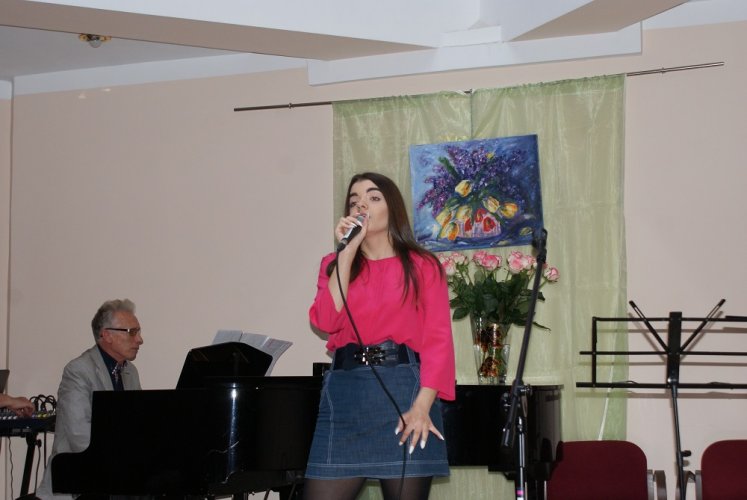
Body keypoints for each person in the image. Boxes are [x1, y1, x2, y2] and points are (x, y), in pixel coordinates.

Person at [304, 172, 455, 500]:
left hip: (405, 393)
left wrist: (422, 406)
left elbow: (438, 341)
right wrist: (346, 252)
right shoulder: (333, 264)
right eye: (354, 201)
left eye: (373, 198)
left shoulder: (423, 265)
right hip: (344, 394)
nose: (361, 205)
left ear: (392, 208)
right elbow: (326, 321)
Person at [36, 299, 144, 500]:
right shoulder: (78, 371)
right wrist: (126, 463)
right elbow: (80, 436)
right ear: (107, 335)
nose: (140, 339)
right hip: (76, 482)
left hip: (115, 477)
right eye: (132, 332)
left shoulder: (130, 372)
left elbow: (135, 425)